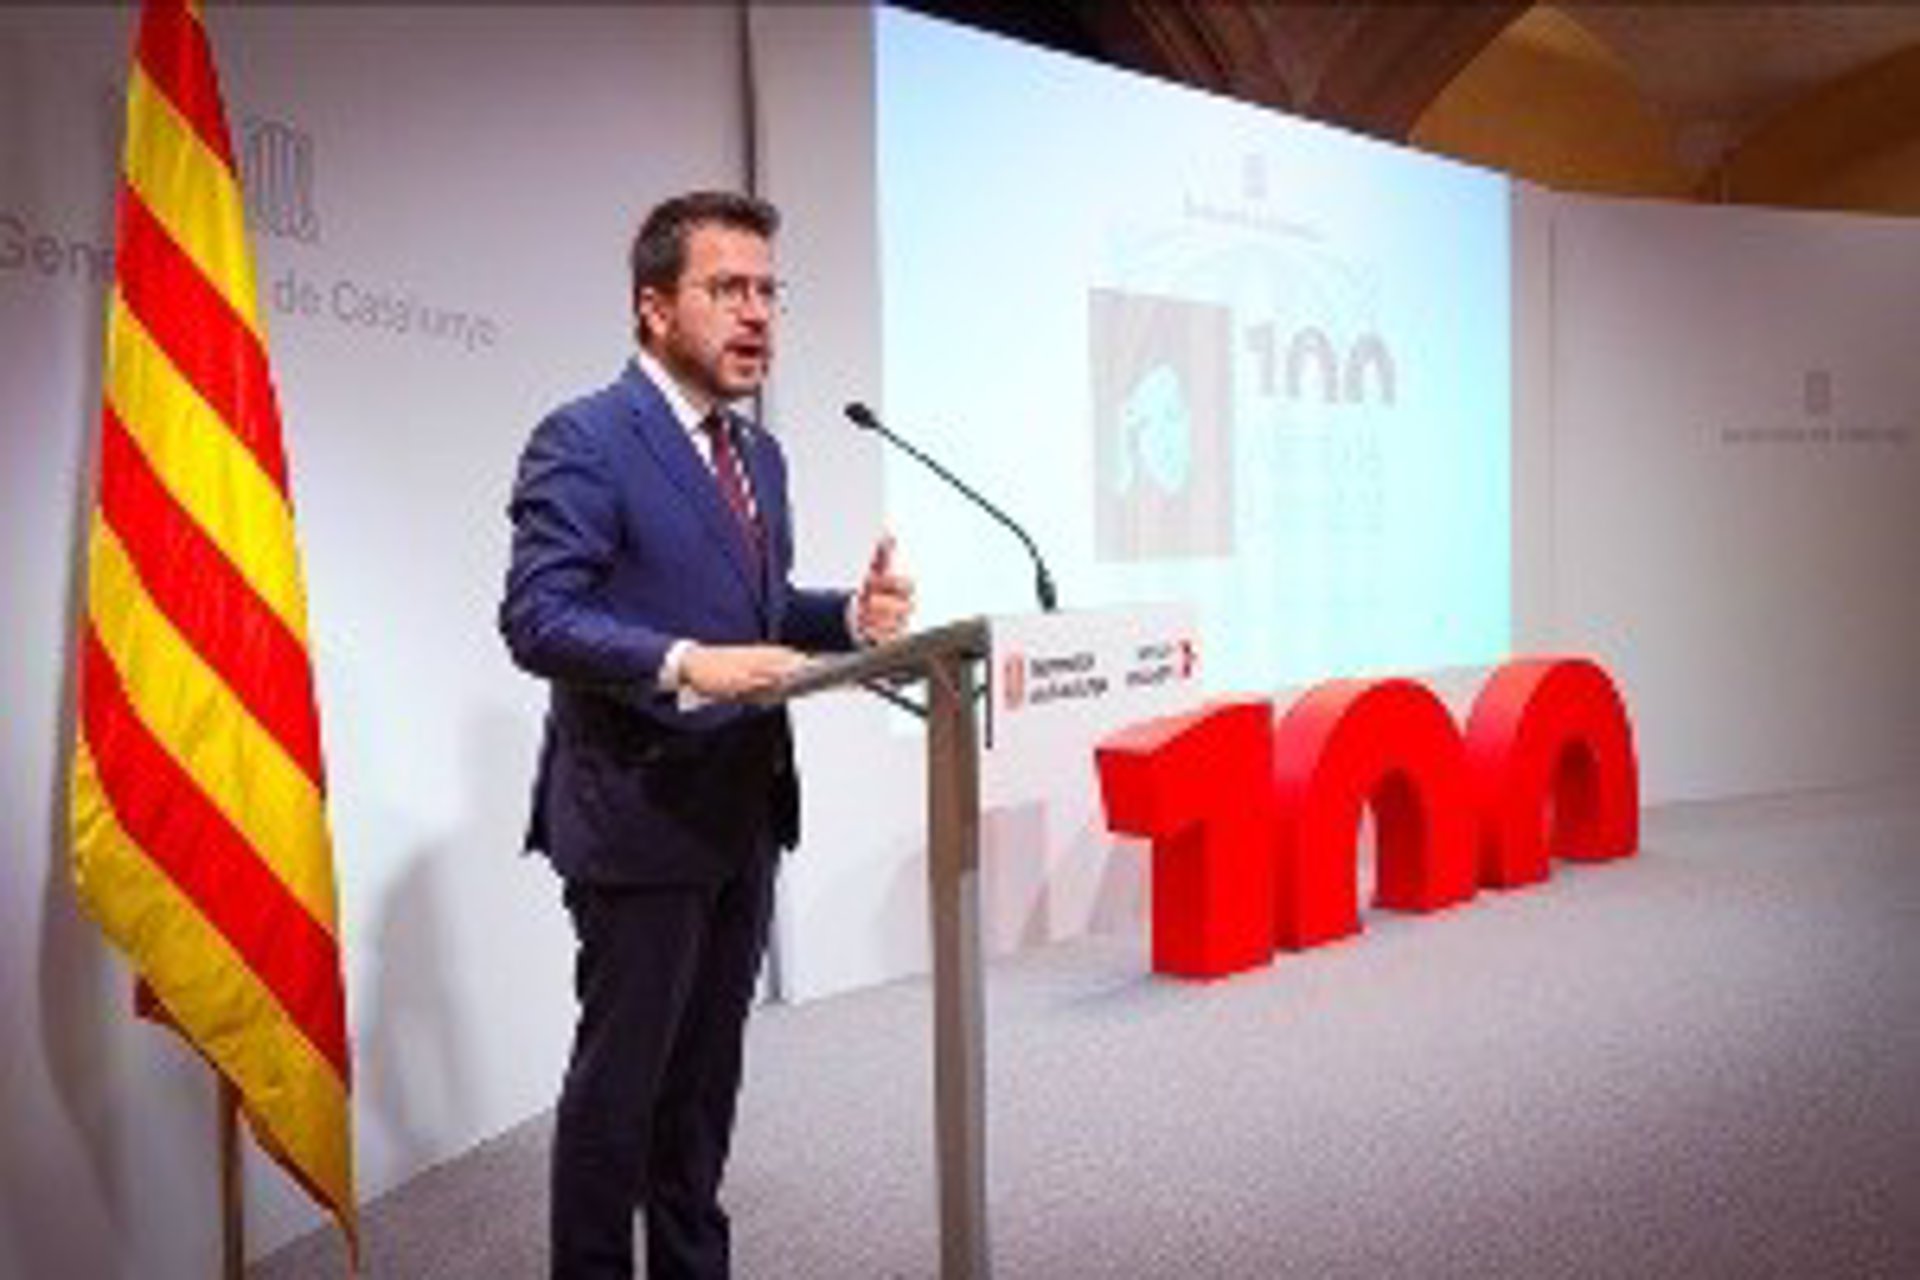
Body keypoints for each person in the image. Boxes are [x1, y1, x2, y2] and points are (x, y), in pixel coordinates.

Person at [499, 190, 914, 1279]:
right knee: (620, 1094)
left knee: (702, 1091)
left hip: (742, 809)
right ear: (653, 306)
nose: (758, 313)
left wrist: (848, 617)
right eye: (728, 288)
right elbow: (538, 617)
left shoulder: (758, 453)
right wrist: (684, 660)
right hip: (637, 815)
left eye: (769, 290)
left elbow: (758, 609)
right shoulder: (586, 437)